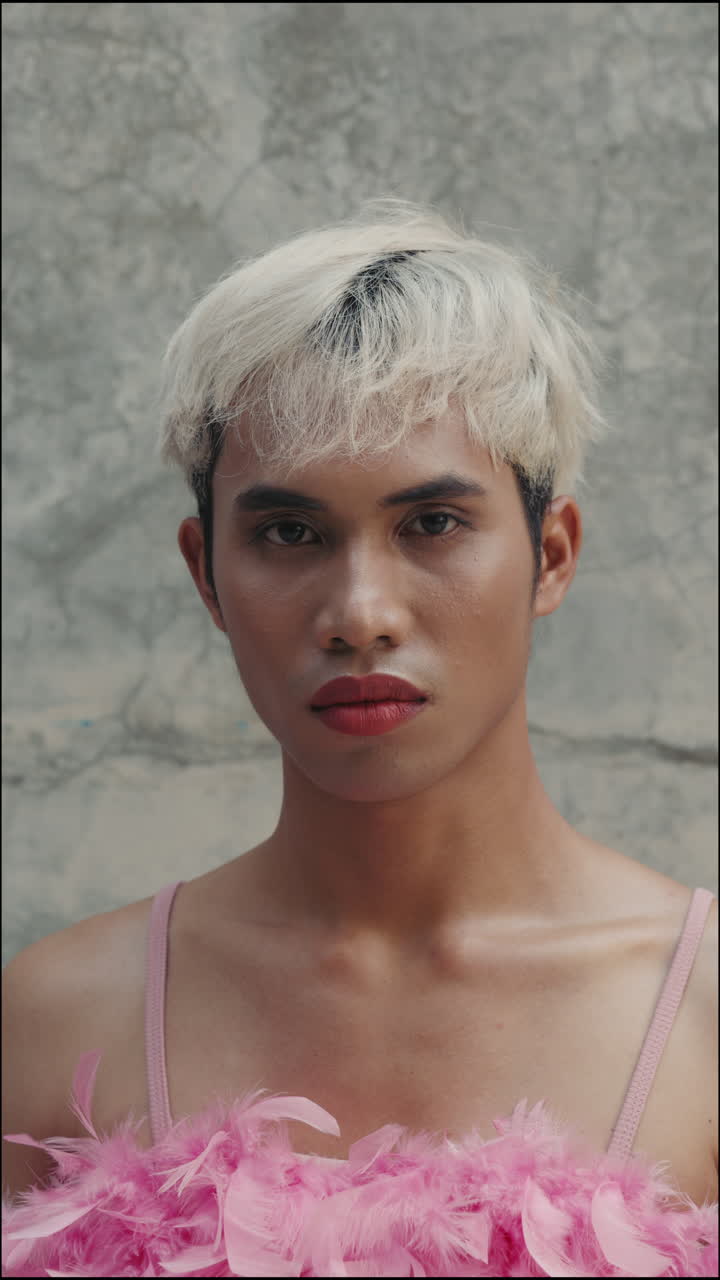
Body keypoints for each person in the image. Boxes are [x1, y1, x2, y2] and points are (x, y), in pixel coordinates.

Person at [2, 200, 717, 1276]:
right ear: (205, 571)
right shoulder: (61, 1018)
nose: (361, 611)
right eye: (290, 531)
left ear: (553, 553)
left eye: (432, 523)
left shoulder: (704, 1012)